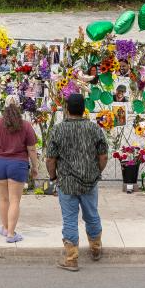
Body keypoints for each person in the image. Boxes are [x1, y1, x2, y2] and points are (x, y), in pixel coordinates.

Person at [46, 93, 107, 272]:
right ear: (83, 109)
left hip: (66, 182)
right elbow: (103, 156)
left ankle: (71, 259)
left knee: (70, 220)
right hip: (90, 181)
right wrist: (96, 172)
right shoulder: (94, 129)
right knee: (92, 215)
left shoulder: (58, 130)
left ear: (66, 109)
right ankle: (95, 249)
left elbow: (50, 159)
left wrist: (53, 177)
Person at [0, 96, 39, 243]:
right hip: (18, 165)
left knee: (3, 198)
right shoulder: (26, 125)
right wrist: (35, 166)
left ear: (4, 107)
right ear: (19, 107)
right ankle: (11, 234)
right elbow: (31, 149)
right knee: (15, 200)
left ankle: (6, 228)